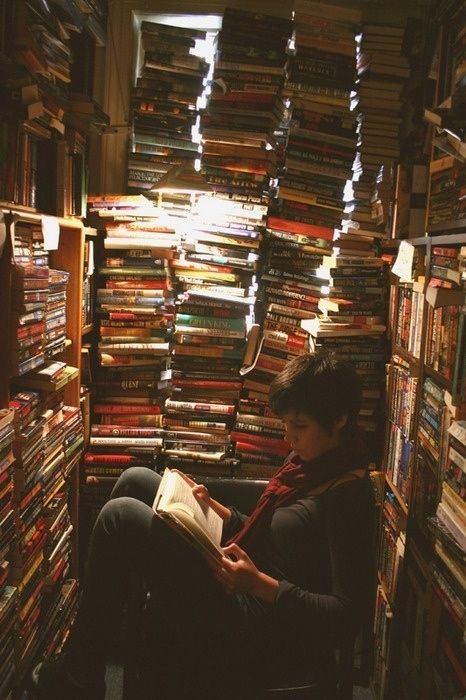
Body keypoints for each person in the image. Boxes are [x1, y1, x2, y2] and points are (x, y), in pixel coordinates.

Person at [33, 349, 375, 699]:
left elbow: (346, 616)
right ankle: (92, 658)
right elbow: (272, 530)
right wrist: (212, 507)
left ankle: (80, 678)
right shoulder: (312, 462)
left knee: (119, 517)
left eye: (299, 426)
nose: (289, 437)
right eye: (286, 424)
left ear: (339, 421)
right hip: (241, 583)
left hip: (261, 624)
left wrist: (258, 584)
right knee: (135, 478)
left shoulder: (347, 496)